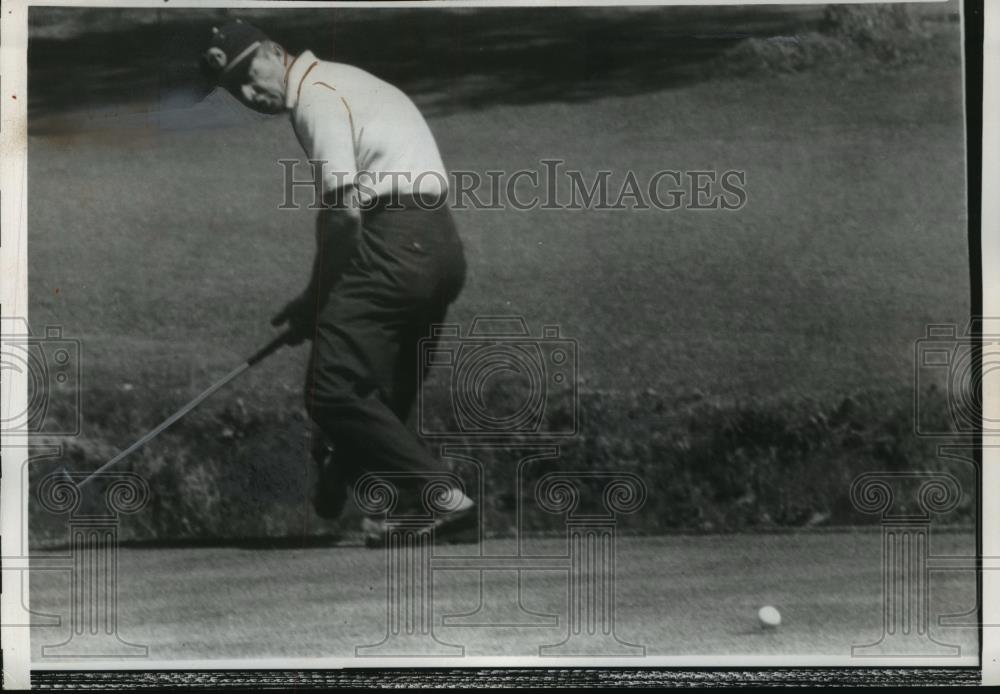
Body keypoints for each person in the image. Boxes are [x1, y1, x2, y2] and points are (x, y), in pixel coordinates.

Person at [200, 20, 474, 543]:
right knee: (379, 389)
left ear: (276, 52)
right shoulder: (343, 80)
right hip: (440, 245)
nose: (250, 93)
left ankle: (444, 498)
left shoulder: (316, 96)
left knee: (332, 391)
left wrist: (313, 299)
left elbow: (343, 214)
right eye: (235, 89)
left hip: (394, 240)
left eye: (249, 73)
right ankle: (386, 493)